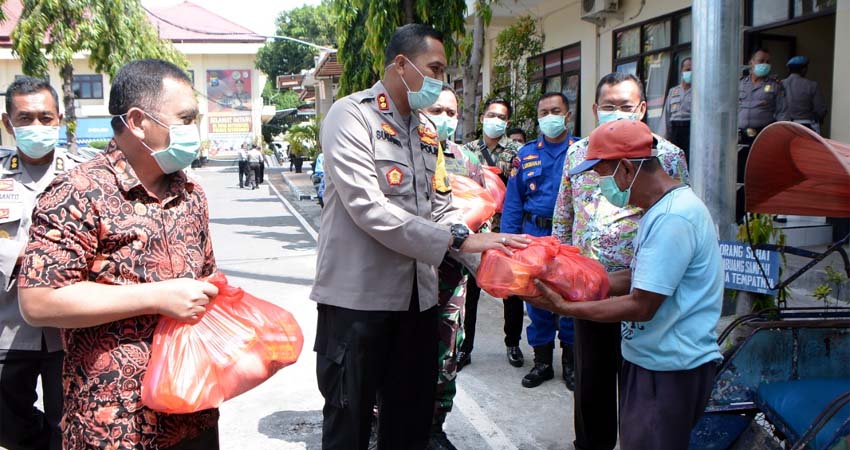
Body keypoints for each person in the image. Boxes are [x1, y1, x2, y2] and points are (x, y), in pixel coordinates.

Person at [310, 24, 528, 450]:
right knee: (348, 422)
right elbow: (368, 208)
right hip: (358, 303)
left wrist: (493, 261)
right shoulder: (351, 116)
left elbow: (443, 208)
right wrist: (458, 242)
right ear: (401, 64)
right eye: (435, 68)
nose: (440, 81)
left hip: (419, 300)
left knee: (409, 421)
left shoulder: (428, 133)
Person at [17, 59, 220, 450]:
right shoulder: (77, 192)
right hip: (115, 423)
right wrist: (157, 297)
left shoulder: (191, 194)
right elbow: (38, 301)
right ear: (139, 121)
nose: (193, 130)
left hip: (192, 411)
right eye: (185, 118)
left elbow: (206, 282)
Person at [530, 118, 722, 450]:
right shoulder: (660, 209)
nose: (601, 185)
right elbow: (639, 277)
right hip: (652, 360)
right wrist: (577, 280)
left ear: (626, 170)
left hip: (669, 368)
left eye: (602, 175)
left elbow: (641, 305)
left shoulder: (672, 218)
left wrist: (565, 307)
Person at [552, 71, 689, 450]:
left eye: (626, 107)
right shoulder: (578, 154)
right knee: (591, 378)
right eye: (608, 107)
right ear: (595, 110)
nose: (617, 114)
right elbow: (564, 214)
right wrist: (560, 267)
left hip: (642, 287)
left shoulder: (668, 156)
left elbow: (676, 219)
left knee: (637, 382)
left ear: (643, 109)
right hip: (589, 286)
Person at [0, 76, 82, 450]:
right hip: (8, 325)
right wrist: (24, 258)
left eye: (46, 118)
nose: (37, 127)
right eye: (26, 118)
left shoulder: (83, 174)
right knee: (8, 426)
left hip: (71, 328)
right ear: (7, 122)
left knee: (70, 425)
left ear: (60, 119)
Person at [422, 85, 487, 450]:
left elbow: (484, 213)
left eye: (451, 112)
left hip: (450, 276)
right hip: (406, 274)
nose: (444, 118)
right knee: (395, 353)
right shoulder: (404, 152)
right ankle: (379, 424)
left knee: (445, 353)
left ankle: (434, 426)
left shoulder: (467, 161)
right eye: (437, 110)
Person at [502, 92, 579, 390]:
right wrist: (510, 243)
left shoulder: (582, 151)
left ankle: (571, 363)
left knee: (570, 299)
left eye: (556, 110)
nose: (550, 117)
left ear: (568, 115)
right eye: (544, 112)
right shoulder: (526, 155)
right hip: (533, 236)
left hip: (568, 239)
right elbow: (513, 203)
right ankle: (543, 362)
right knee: (537, 301)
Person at [458, 97, 524, 371]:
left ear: (506, 123)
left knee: (512, 291)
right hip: (475, 232)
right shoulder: (466, 151)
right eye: (491, 114)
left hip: (505, 231)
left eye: (501, 116)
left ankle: (513, 343)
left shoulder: (517, 152)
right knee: (469, 293)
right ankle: (464, 347)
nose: (495, 120)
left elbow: (521, 189)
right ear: (483, 117)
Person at [737, 48, 786, 221]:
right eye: (761, 61)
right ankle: (739, 214)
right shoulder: (741, 84)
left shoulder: (775, 86)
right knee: (740, 176)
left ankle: (758, 215)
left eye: (767, 61)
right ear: (751, 62)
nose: (764, 65)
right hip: (741, 138)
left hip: (762, 135)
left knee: (759, 176)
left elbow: (782, 113)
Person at [781, 56, 828, 135]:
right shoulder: (812, 85)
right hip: (807, 126)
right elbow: (820, 109)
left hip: (786, 125)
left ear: (789, 69)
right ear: (804, 69)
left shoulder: (781, 84)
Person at [661, 57, 693, 162]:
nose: (690, 72)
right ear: (682, 71)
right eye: (688, 69)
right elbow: (666, 114)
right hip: (675, 129)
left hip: (690, 130)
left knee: (688, 160)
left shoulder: (697, 91)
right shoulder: (673, 91)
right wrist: (664, 137)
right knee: (675, 160)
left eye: (693, 70)